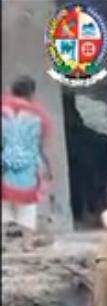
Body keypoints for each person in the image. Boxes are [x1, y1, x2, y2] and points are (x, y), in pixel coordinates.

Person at [2, 76, 51, 237]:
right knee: (28, 205)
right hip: (29, 165)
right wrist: (47, 166)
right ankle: (27, 243)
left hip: (5, 163)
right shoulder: (39, 115)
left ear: (11, 90)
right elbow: (42, 144)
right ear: (31, 93)